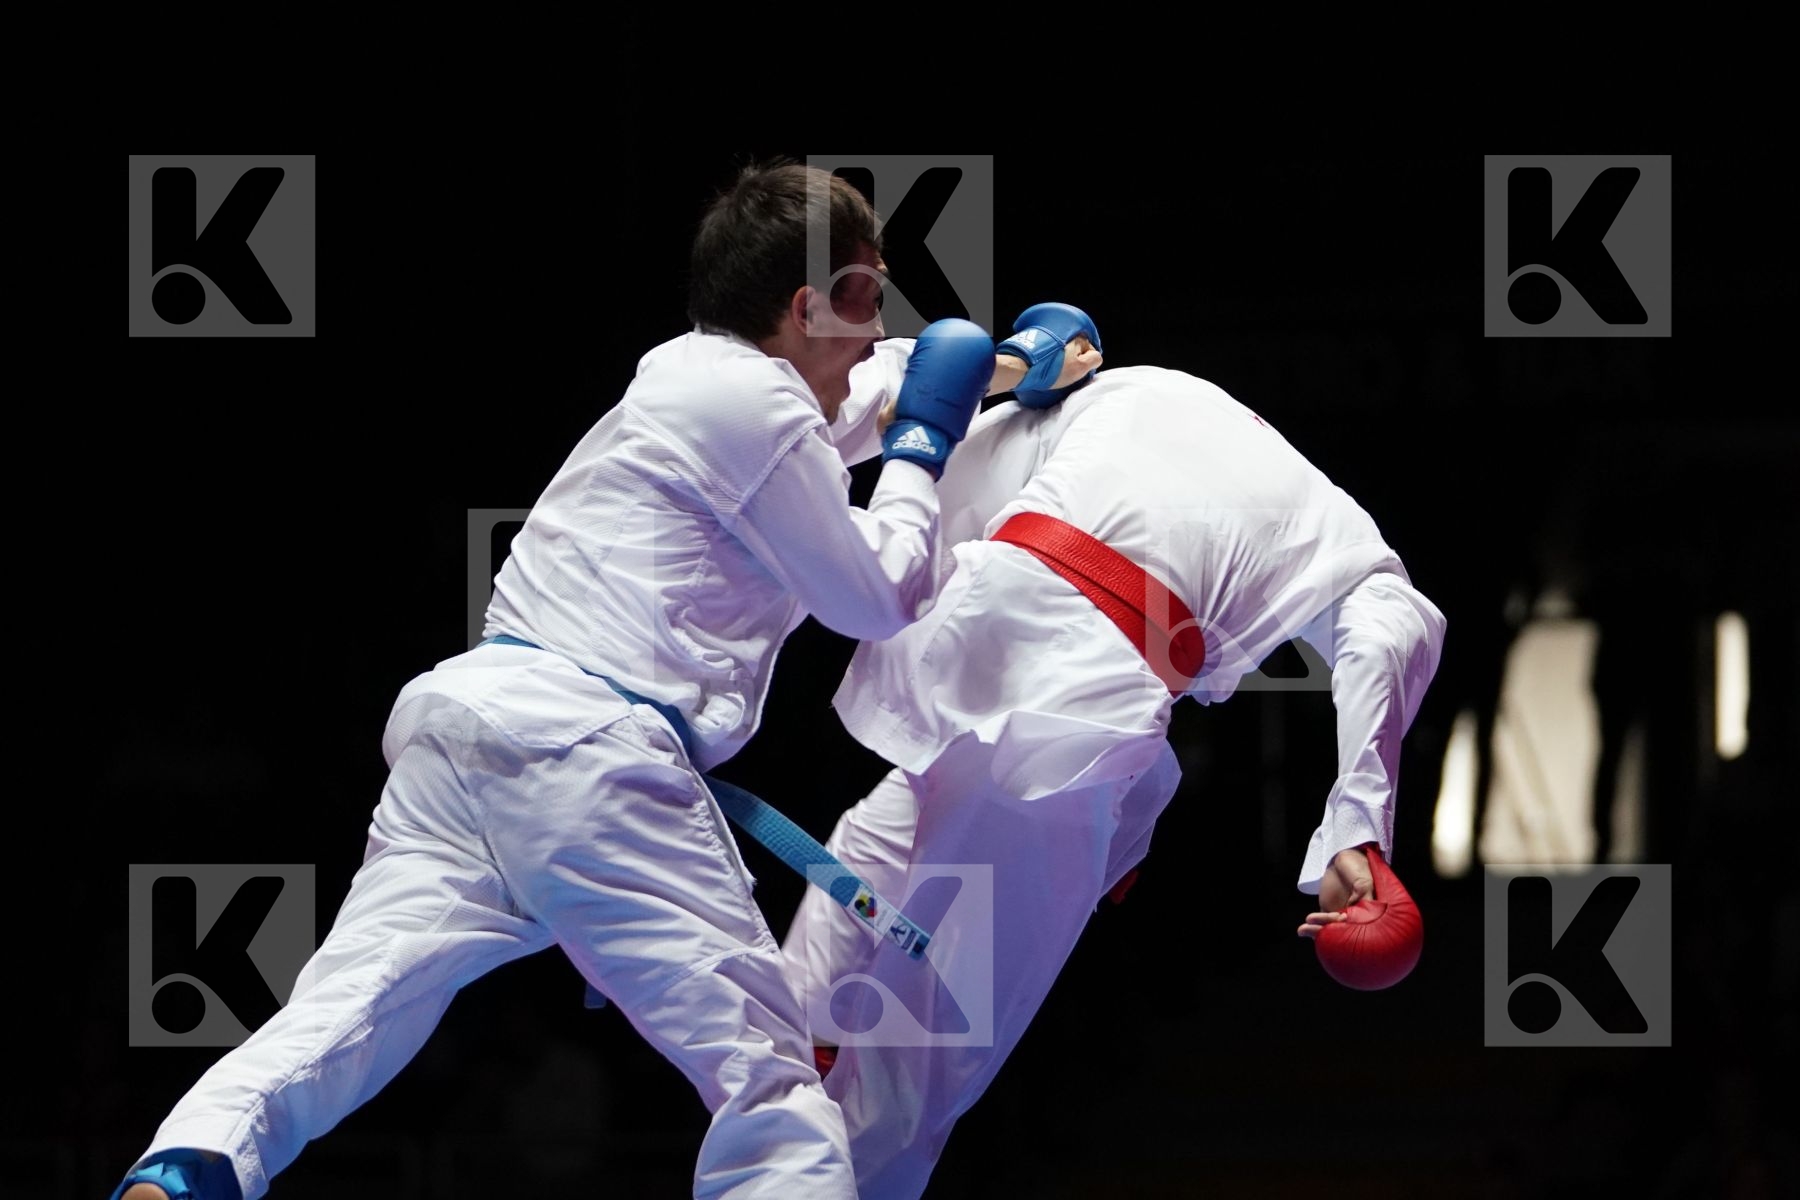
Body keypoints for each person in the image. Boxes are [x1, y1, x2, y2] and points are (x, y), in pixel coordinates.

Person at [110, 162, 1091, 1200]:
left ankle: (190, 1165)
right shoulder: (751, 407)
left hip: (468, 742)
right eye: (870, 293)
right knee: (764, 1072)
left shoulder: (704, 379)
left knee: (350, 1008)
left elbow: (874, 388)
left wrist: (1009, 365)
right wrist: (926, 449)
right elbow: (880, 593)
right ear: (812, 303)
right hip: (587, 757)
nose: (880, 320)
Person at [783, 318, 1448, 1200]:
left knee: (858, 878)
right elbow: (1393, 634)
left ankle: (788, 1066)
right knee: (918, 1072)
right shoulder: (1337, 532)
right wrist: (1356, 831)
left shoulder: (1127, 390)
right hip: (1077, 717)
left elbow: (921, 425)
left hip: (976, 646)